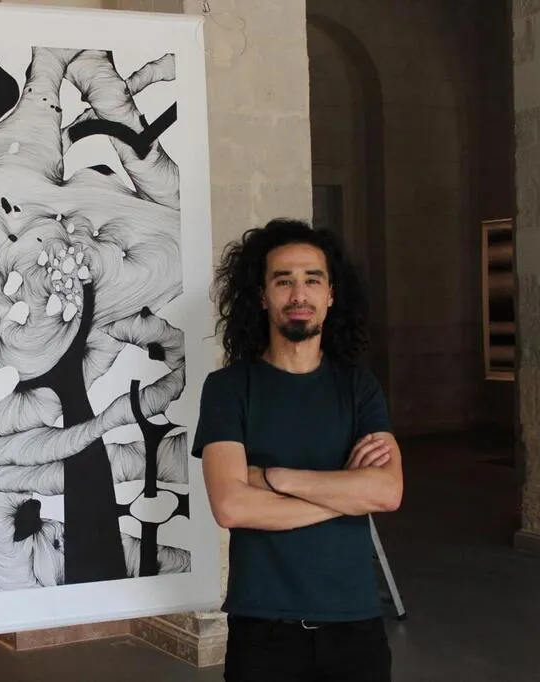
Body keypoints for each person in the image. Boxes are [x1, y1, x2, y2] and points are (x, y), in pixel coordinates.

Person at [191, 218, 403, 681]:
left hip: (355, 624)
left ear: (331, 296)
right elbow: (231, 506)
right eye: (283, 281)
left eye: (313, 280)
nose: (299, 294)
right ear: (262, 297)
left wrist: (273, 478)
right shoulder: (229, 388)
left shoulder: (359, 387)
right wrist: (345, 495)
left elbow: (387, 492)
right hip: (264, 628)